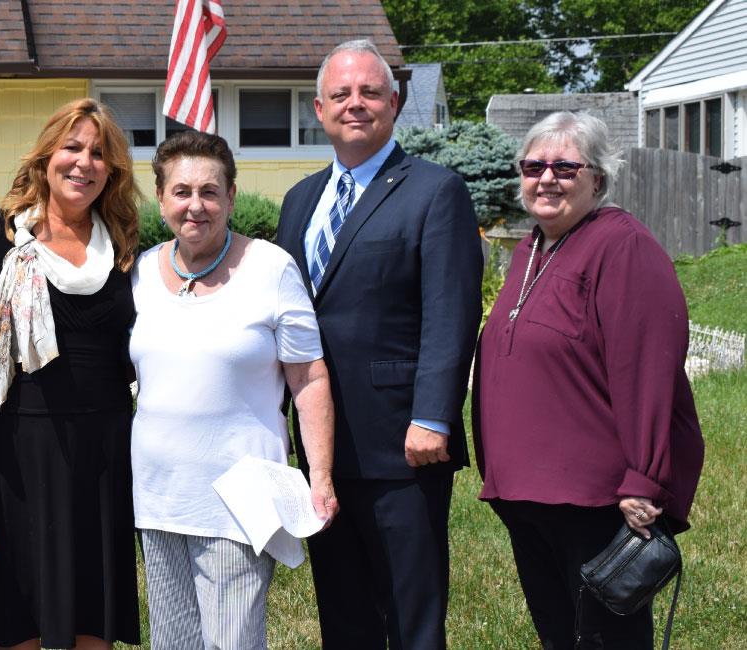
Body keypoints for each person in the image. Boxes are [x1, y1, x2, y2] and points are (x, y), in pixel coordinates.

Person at [274, 39, 482, 649]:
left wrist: (432, 417)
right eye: (341, 94)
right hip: (321, 450)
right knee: (342, 613)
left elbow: (451, 313)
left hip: (401, 447)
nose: (355, 104)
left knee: (410, 614)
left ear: (393, 102)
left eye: (369, 92)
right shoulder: (300, 200)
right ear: (319, 108)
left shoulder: (434, 191)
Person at [474, 111, 705, 649]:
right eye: (534, 166)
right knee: (560, 637)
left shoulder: (623, 247)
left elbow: (649, 370)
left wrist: (646, 480)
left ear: (597, 178)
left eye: (565, 167)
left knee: (607, 641)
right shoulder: (531, 248)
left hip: (596, 501)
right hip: (526, 495)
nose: (546, 178)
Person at [131, 130, 338, 648]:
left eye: (209, 191)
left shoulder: (270, 268)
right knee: (173, 642)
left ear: (231, 197)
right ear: (161, 199)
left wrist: (322, 476)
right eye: (181, 192)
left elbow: (308, 375)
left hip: (237, 497)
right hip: (158, 497)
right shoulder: (138, 273)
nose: (195, 206)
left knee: (232, 642)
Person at [0, 97, 141, 649]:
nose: (83, 162)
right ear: (45, 157)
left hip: (104, 447)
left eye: (98, 153)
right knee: (23, 609)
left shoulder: (125, 243)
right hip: (19, 443)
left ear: (112, 170)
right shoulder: (1, 234)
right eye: (72, 147)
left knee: (92, 609)